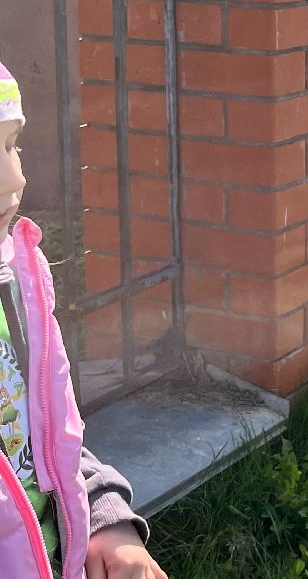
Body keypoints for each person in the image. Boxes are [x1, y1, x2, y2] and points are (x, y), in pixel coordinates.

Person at [0, 60, 167, 579]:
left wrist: (102, 516)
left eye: (12, 145)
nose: (14, 177)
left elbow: (38, 442)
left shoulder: (13, 284)